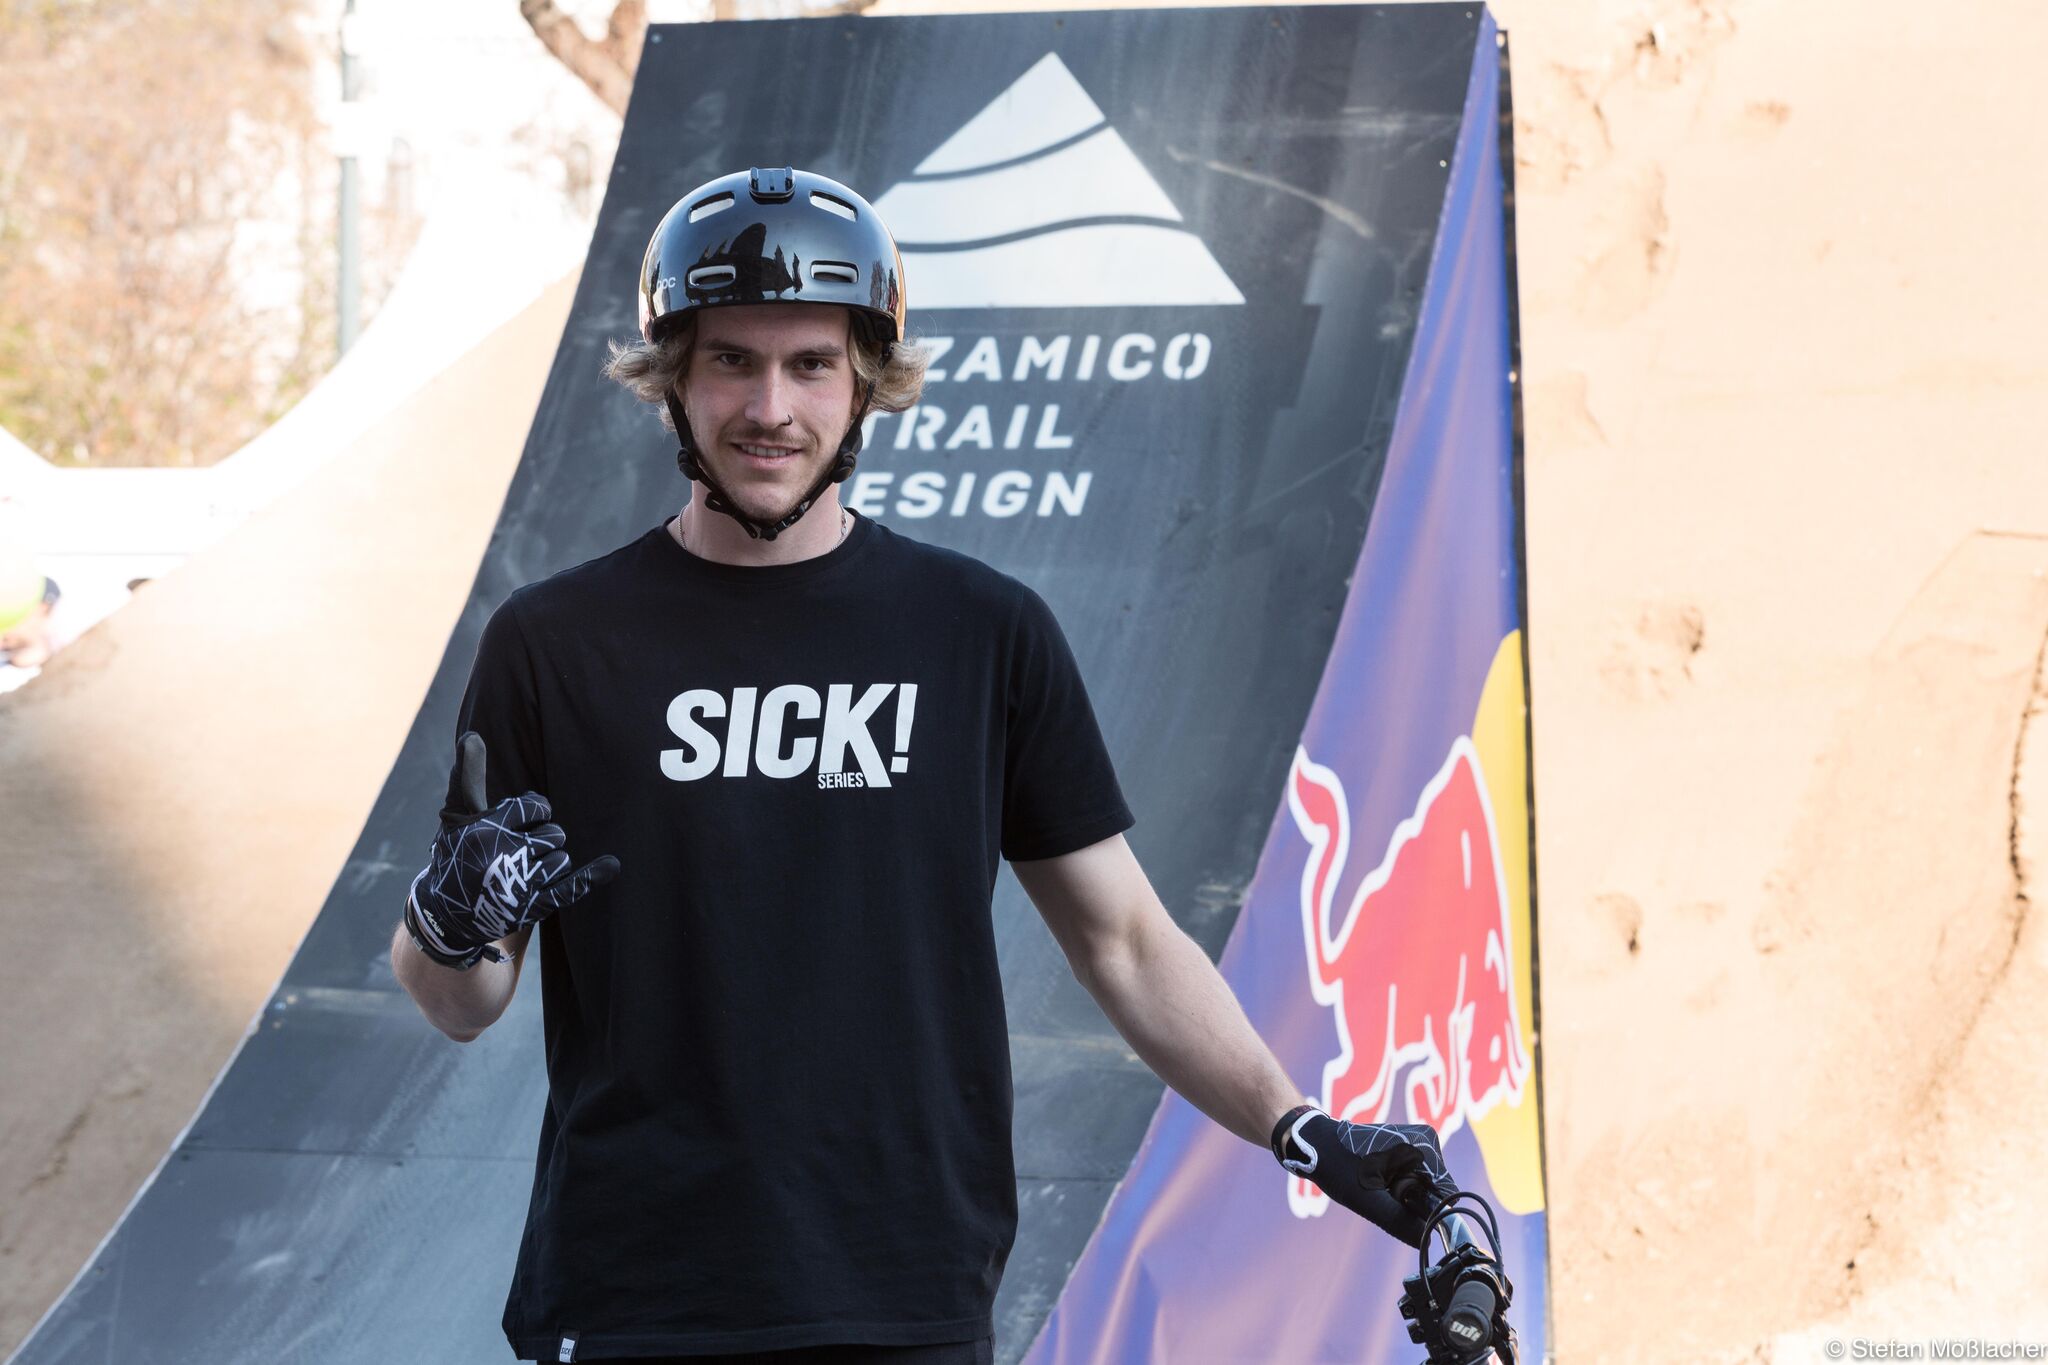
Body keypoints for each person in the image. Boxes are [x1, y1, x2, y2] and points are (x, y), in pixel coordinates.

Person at [391, 167, 1463, 1364]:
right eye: (731, 360)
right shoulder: (553, 643)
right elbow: (460, 1001)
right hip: (634, 1298)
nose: (769, 407)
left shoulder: (978, 632)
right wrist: (445, 921)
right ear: (672, 380)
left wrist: (1295, 1127)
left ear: (866, 383)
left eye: (810, 364)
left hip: (903, 1290)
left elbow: (1122, 940)